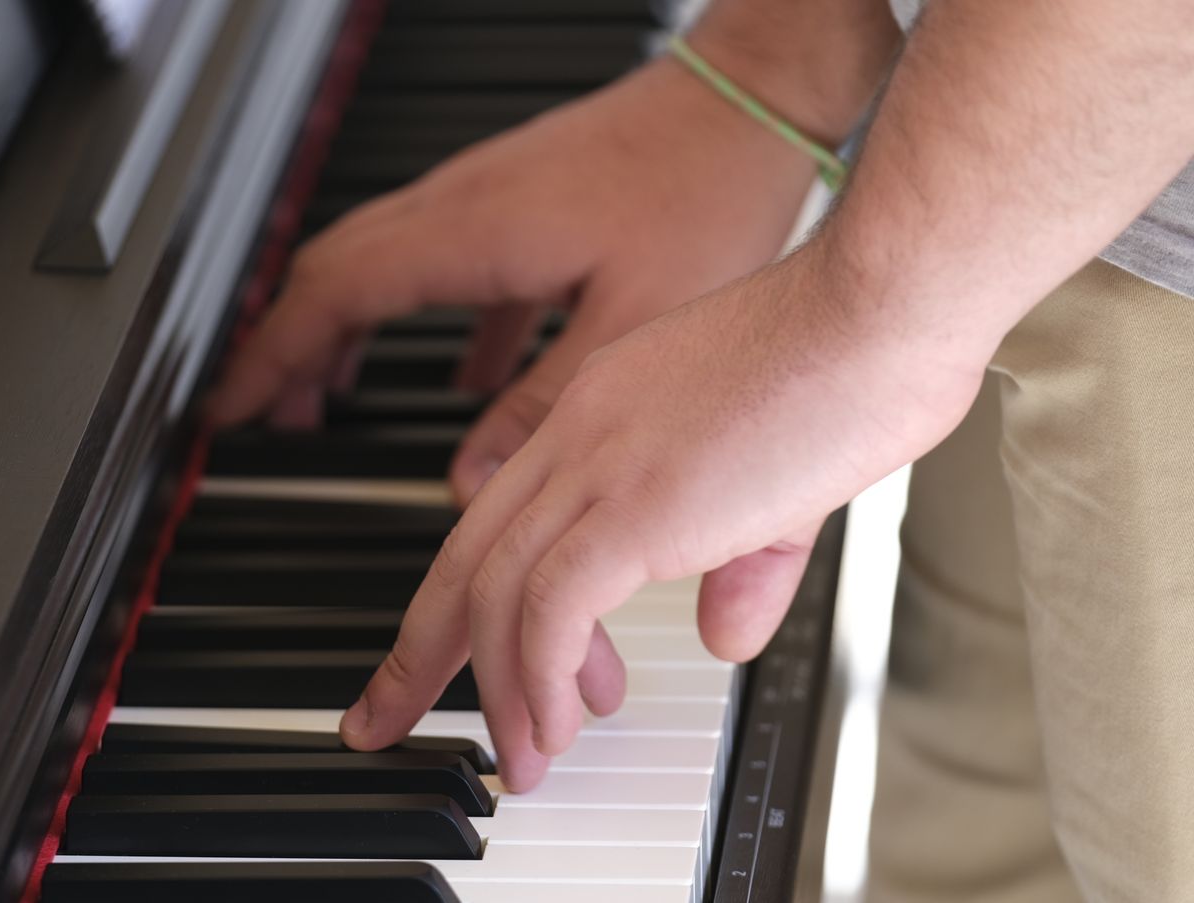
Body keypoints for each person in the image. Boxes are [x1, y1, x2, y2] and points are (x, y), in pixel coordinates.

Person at [208, 0, 1194, 899]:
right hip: (1026, 135)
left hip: (1111, 204)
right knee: (968, 834)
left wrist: (869, 310)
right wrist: (782, 62)